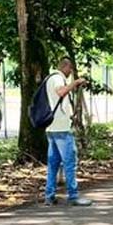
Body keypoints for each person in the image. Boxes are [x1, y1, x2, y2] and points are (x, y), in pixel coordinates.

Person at [44, 57, 93, 207]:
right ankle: (73, 196)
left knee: (53, 164)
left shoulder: (49, 78)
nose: (70, 72)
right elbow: (61, 92)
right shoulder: (57, 78)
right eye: (70, 69)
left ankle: (49, 196)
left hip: (52, 127)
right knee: (69, 163)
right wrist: (75, 83)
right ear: (65, 67)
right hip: (61, 129)